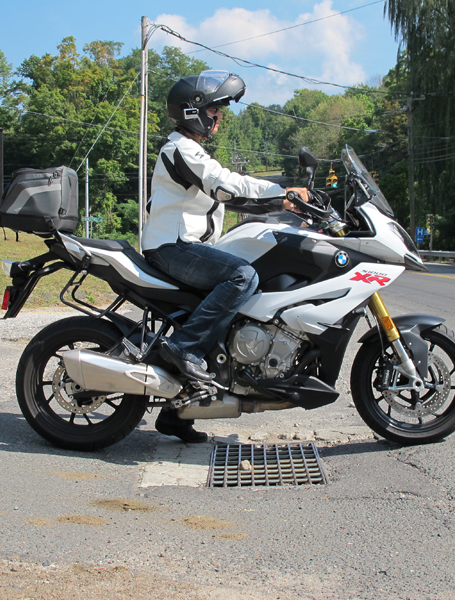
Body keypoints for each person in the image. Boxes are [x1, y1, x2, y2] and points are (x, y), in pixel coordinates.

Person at [141, 70, 308, 443]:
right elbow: (228, 185)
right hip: (172, 248)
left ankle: (176, 414)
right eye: (215, 110)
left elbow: (230, 184)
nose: (219, 117)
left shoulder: (190, 149)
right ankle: (183, 349)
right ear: (193, 111)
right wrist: (284, 195)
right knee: (242, 277)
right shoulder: (180, 149)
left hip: (184, 246)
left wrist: (281, 201)